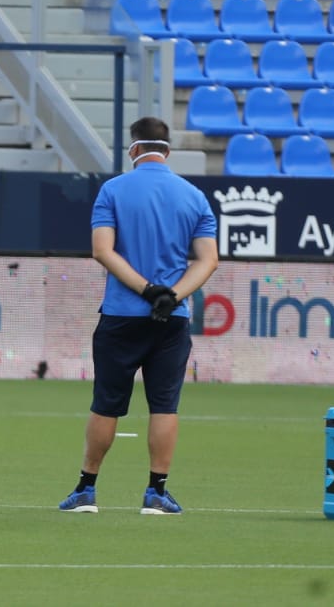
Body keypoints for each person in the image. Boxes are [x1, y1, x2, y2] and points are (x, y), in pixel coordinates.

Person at [59, 117, 218, 516]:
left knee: (106, 405)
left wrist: (146, 291)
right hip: (172, 319)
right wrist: (171, 296)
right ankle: (157, 494)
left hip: (121, 314)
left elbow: (103, 250)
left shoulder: (113, 190)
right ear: (167, 151)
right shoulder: (194, 196)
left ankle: (86, 490)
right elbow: (208, 260)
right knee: (164, 405)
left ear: (133, 149)